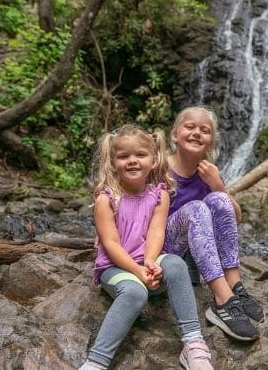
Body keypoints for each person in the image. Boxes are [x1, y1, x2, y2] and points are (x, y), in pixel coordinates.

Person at [79, 124, 213, 370]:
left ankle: (193, 342)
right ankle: (96, 362)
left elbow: (156, 232)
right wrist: (137, 271)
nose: (132, 161)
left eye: (140, 155)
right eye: (123, 156)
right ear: (112, 162)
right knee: (134, 292)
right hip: (115, 267)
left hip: (147, 264)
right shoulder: (106, 199)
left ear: (153, 160)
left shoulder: (160, 194)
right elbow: (110, 244)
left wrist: (150, 262)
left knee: (174, 262)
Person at [163, 106, 264, 342]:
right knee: (197, 208)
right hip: (164, 246)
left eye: (204, 130)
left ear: (210, 143)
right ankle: (222, 301)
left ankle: (235, 287)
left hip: (196, 254)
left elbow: (233, 219)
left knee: (219, 199)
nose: (197, 132)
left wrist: (219, 186)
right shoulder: (159, 167)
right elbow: (129, 196)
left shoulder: (208, 172)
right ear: (174, 135)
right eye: (190, 127)